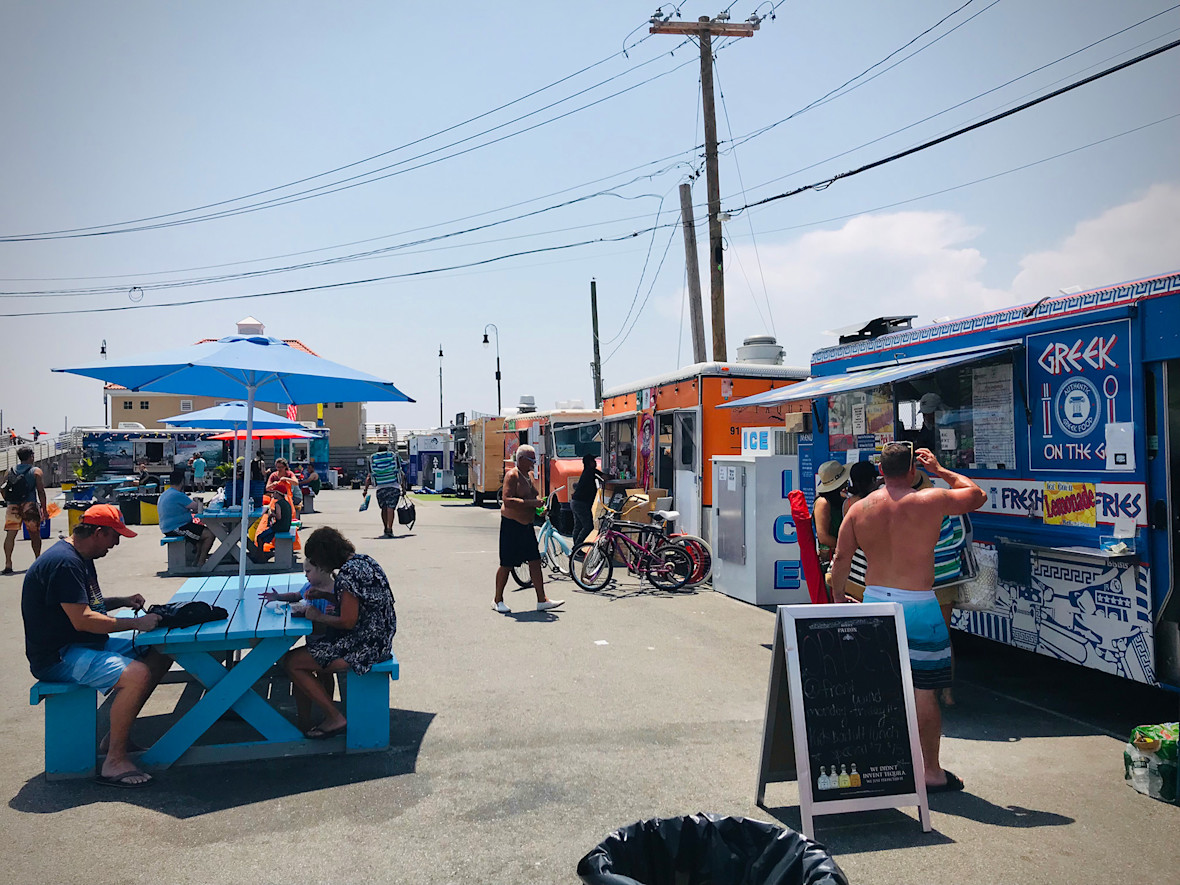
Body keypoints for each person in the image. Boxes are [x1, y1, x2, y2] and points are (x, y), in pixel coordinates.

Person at [829, 443, 985, 794]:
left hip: (875, 603)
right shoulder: (930, 501)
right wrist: (942, 470)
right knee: (924, 690)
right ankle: (930, 771)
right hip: (918, 604)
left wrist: (839, 597)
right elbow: (976, 495)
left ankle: (877, 763)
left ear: (881, 472)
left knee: (875, 687)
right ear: (912, 471)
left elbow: (840, 559)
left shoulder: (858, 509)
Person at [21, 504, 171, 787]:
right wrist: (137, 623)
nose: (115, 544)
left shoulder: (81, 556)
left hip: (82, 645)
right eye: (115, 537)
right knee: (136, 674)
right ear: (98, 532)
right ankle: (114, 761)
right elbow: (83, 620)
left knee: (160, 653)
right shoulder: (64, 563)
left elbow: (87, 605)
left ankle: (116, 738)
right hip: (58, 657)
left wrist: (123, 601)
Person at [280, 526, 396, 739]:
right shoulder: (365, 561)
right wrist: (328, 598)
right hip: (380, 636)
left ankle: (334, 718)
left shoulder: (347, 575)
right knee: (303, 659)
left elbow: (347, 621)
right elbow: (361, 604)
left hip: (366, 646)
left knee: (293, 662)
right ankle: (310, 719)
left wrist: (317, 616)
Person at [493, 445, 564, 614]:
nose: (534, 463)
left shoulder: (529, 475)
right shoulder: (512, 476)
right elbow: (507, 500)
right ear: (521, 459)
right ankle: (497, 600)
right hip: (512, 525)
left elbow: (534, 495)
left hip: (527, 526)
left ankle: (542, 600)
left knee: (535, 561)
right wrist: (532, 503)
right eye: (531, 459)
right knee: (507, 564)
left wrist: (540, 505)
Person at [158, 467, 215, 568]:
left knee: (200, 535)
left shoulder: (166, 493)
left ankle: (197, 561)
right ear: (182, 481)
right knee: (209, 534)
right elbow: (197, 507)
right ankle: (202, 562)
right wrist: (197, 501)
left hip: (170, 526)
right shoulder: (178, 495)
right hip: (176, 527)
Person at [3, 446, 48, 575]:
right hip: (30, 505)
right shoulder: (36, 471)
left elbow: (2, 487)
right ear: (31, 456)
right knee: (34, 534)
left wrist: (8, 500)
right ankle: (37, 560)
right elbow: (41, 491)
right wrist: (44, 509)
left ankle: (8, 563)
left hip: (13, 506)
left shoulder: (9, 471)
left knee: (10, 535)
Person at [260, 556, 337, 616]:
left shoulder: (336, 589)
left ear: (322, 570)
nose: (306, 575)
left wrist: (336, 611)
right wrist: (278, 597)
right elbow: (295, 596)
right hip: (310, 630)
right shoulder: (308, 587)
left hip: (328, 631)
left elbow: (345, 609)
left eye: (308, 571)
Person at [812, 460, 850, 573]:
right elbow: (823, 536)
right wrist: (848, 547)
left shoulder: (841, 498)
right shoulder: (822, 502)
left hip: (840, 556)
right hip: (829, 560)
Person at [362, 444, 403, 538]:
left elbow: (369, 477)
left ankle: (385, 527)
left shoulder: (374, 460)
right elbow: (401, 474)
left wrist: (365, 490)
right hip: (394, 487)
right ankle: (390, 528)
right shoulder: (392, 457)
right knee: (391, 508)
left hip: (380, 488)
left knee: (383, 508)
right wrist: (403, 488)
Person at [247, 481, 293, 563]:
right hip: (286, 526)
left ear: (278, 493)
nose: (272, 494)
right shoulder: (286, 503)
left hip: (279, 527)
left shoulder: (278, 503)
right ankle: (261, 554)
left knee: (259, 537)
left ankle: (260, 558)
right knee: (264, 536)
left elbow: (279, 517)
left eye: (274, 493)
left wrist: (272, 515)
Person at [570, 452, 607, 548]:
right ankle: (578, 548)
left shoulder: (587, 471)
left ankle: (576, 548)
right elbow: (605, 477)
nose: (595, 462)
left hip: (575, 502)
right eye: (593, 461)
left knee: (578, 526)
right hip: (581, 503)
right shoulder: (591, 471)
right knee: (588, 526)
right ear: (589, 462)